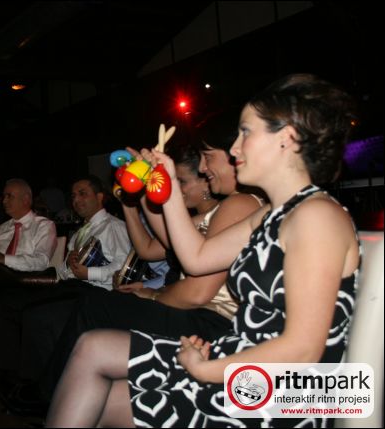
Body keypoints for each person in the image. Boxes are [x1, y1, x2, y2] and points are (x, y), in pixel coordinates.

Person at [46, 74, 360, 428]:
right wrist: (163, 182)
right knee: (94, 356)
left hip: (284, 390)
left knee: (98, 367)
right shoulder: (273, 214)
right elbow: (195, 257)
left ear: (285, 139)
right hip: (242, 359)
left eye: (245, 133)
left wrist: (206, 369)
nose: (235, 149)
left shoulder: (317, 216)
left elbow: (304, 349)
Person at [8, 125, 263, 416]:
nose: (204, 167)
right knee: (93, 308)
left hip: (210, 323)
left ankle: (47, 394)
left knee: (96, 306)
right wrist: (141, 191)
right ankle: (53, 391)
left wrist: (153, 295)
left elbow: (198, 291)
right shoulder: (227, 208)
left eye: (208, 156)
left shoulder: (240, 203)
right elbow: (164, 243)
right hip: (200, 315)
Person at [1, 175, 130, 401]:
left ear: (100, 197)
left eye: (83, 194)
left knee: (39, 316)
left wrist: (88, 273)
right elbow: (64, 271)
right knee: (13, 305)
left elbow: (123, 269)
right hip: (72, 287)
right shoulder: (80, 232)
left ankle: (47, 390)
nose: (76, 200)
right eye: (73, 195)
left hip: (96, 293)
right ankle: (18, 379)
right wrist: (66, 267)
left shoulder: (114, 227)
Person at [0, 178, 57, 399]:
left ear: (26, 200)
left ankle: (3, 377)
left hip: (28, 284)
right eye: (4, 196)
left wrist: (4, 259)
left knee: (4, 303)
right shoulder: (1, 229)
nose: (4, 200)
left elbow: (41, 261)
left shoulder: (43, 225)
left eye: (9, 196)